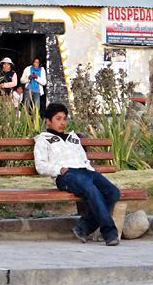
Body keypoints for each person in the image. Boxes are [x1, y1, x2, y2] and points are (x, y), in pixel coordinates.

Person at [34, 102, 121, 246]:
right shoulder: (43, 140)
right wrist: (60, 170)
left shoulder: (73, 138)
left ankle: (84, 227)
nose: (62, 123)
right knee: (92, 191)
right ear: (48, 121)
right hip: (66, 176)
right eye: (58, 119)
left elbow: (84, 159)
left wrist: (92, 173)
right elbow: (40, 165)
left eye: (64, 118)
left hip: (86, 172)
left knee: (113, 192)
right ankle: (110, 233)